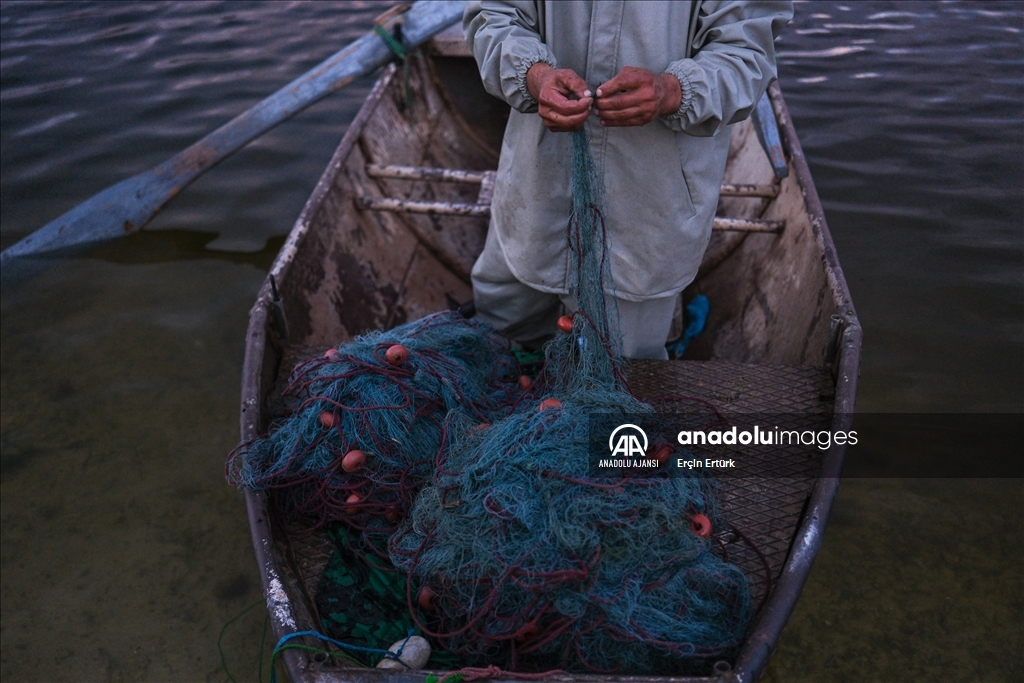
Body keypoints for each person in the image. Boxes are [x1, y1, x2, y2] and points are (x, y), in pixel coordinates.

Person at [464, 1, 793, 359]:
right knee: (500, 329)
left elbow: (746, 54)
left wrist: (672, 91)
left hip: (647, 212)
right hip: (534, 190)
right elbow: (493, 16)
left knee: (622, 364)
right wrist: (534, 75)